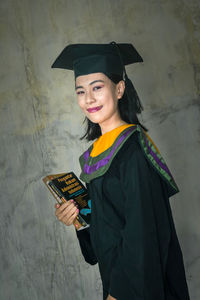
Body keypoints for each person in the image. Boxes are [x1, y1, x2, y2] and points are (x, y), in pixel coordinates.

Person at [52, 42, 190, 300]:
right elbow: (102, 242)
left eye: (97, 87)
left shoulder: (134, 152)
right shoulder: (96, 155)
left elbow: (144, 237)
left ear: (119, 89)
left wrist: (119, 294)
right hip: (117, 285)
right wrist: (79, 220)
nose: (88, 99)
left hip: (142, 290)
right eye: (80, 91)